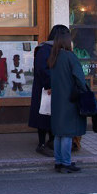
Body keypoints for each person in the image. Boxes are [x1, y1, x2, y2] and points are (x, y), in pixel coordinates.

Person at [48, 29, 86, 173]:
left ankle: (58, 162)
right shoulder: (70, 57)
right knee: (68, 133)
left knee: (58, 132)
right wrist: (85, 91)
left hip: (57, 100)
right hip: (70, 99)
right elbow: (80, 79)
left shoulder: (54, 57)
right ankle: (66, 162)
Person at [28, 26, 70, 156]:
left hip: (54, 88)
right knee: (43, 116)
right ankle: (41, 144)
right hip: (45, 89)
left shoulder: (58, 49)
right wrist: (51, 84)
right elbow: (42, 69)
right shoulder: (44, 49)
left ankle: (51, 142)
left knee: (52, 116)